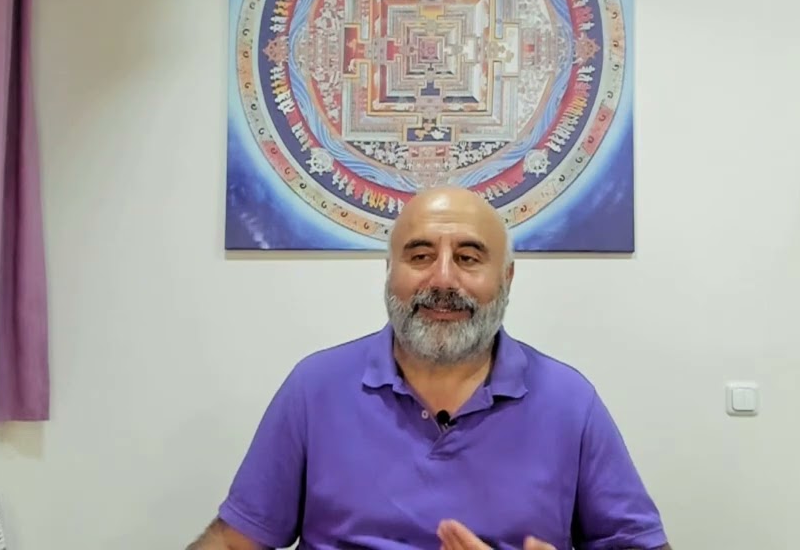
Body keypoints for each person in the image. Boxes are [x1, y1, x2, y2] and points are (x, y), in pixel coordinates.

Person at [188, 186, 671, 550]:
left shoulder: (570, 402)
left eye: (468, 257)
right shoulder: (314, 390)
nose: (442, 279)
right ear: (388, 272)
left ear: (507, 277)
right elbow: (234, 541)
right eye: (420, 256)